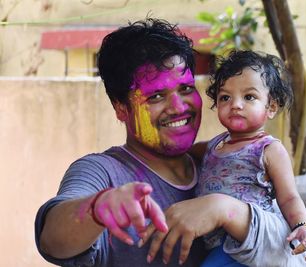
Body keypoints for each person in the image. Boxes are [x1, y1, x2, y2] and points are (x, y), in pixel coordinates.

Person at [34, 18, 251, 266]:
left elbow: (291, 241)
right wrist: (98, 208)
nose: (179, 107)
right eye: (156, 96)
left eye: (186, 89)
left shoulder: (220, 160)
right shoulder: (104, 172)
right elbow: (52, 239)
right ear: (121, 109)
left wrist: (222, 209)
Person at [141, 50, 306, 267]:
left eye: (249, 97)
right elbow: (183, 152)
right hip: (215, 243)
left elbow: (289, 198)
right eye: (225, 97)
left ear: (271, 107)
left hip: (247, 248)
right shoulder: (213, 145)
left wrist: (302, 226)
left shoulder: (268, 150)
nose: (236, 104)